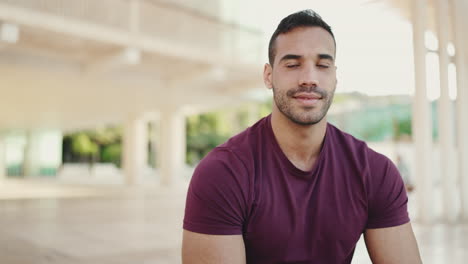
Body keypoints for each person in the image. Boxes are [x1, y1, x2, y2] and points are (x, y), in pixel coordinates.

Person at [182, 9, 422, 264]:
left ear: (335, 77)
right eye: (293, 64)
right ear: (268, 75)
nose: (309, 78)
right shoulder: (223, 173)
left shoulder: (374, 172)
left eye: (322, 65)